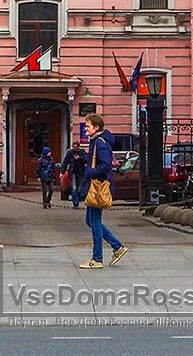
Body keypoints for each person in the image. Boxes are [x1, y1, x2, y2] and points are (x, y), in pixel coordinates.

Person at [80, 113, 127, 269]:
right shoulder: (97, 141)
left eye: (88, 126)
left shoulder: (99, 142)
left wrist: (89, 172)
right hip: (96, 186)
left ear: (96, 127)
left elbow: (106, 166)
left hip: (98, 187)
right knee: (91, 221)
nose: (85, 128)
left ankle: (97, 258)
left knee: (94, 221)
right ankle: (117, 246)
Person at [61, 142, 88, 209]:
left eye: (75, 147)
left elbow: (86, 160)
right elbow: (65, 162)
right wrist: (62, 172)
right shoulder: (70, 153)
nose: (74, 148)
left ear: (78, 147)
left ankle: (78, 199)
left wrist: (80, 158)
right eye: (73, 147)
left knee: (79, 188)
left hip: (81, 172)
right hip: (72, 172)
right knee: (74, 187)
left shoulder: (82, 152)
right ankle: (75, 203)